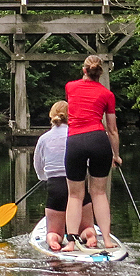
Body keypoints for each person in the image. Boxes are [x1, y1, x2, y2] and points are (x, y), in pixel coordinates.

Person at [62, 55, 120, 250]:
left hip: (76, 141)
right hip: (99, 140)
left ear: (84, 70)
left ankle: (71, 242)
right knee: (99, 193)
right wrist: (116, 155)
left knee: (75, 196)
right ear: (100, 73)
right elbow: (112, 129)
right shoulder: (107, 94)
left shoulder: (70, 87)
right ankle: (108, 240)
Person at [32, 101, 96, 251]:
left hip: (55, 187)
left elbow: (38, 166)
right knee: (86, 228)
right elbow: (88, 162)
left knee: (54, 232)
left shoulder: (43, 139)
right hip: (78, 185)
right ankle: (90, 235)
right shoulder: (78, 137)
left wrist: (45, 177)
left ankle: (53, 240)